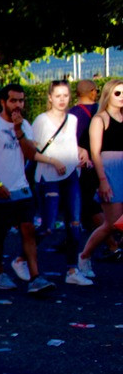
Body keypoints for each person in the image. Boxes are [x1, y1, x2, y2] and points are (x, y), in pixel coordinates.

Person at [0, 84, 55, 294]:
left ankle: (35, 276)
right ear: (4, 102)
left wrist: (19, 131)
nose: (18, 105)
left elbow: (30, 154)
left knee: (27, 228)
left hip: (20, 186)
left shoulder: (25, 125)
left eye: (21, 100)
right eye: (13, 100)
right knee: (0, 232)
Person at [32, 81, 91, 286]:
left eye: (65, 95)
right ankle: (23, 257)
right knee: (47, 227)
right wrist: (53, 161)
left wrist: (82, 154)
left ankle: (72, 269)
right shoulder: (41, 121)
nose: (62, 99)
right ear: (50, 97)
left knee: (74, 223)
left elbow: (71, 145)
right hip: (48, 179)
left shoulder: (73, 119)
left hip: (71, 176)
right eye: (58, 95)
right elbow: (32, 152)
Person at [77, 79, 123, 276]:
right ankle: (84, 256)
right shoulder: (99, 119)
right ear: (108, 95)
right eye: (117, 93)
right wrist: (102, 180)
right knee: (112, 223)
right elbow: (95, 153)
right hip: (110, 170)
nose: (121, 98)